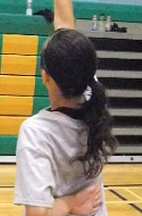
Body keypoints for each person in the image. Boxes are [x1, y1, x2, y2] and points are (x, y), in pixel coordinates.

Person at [14, 0, 118, 215]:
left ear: (45, 76)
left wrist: (71, 203)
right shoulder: (93, 92)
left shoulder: (36, 132)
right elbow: (64, 22)